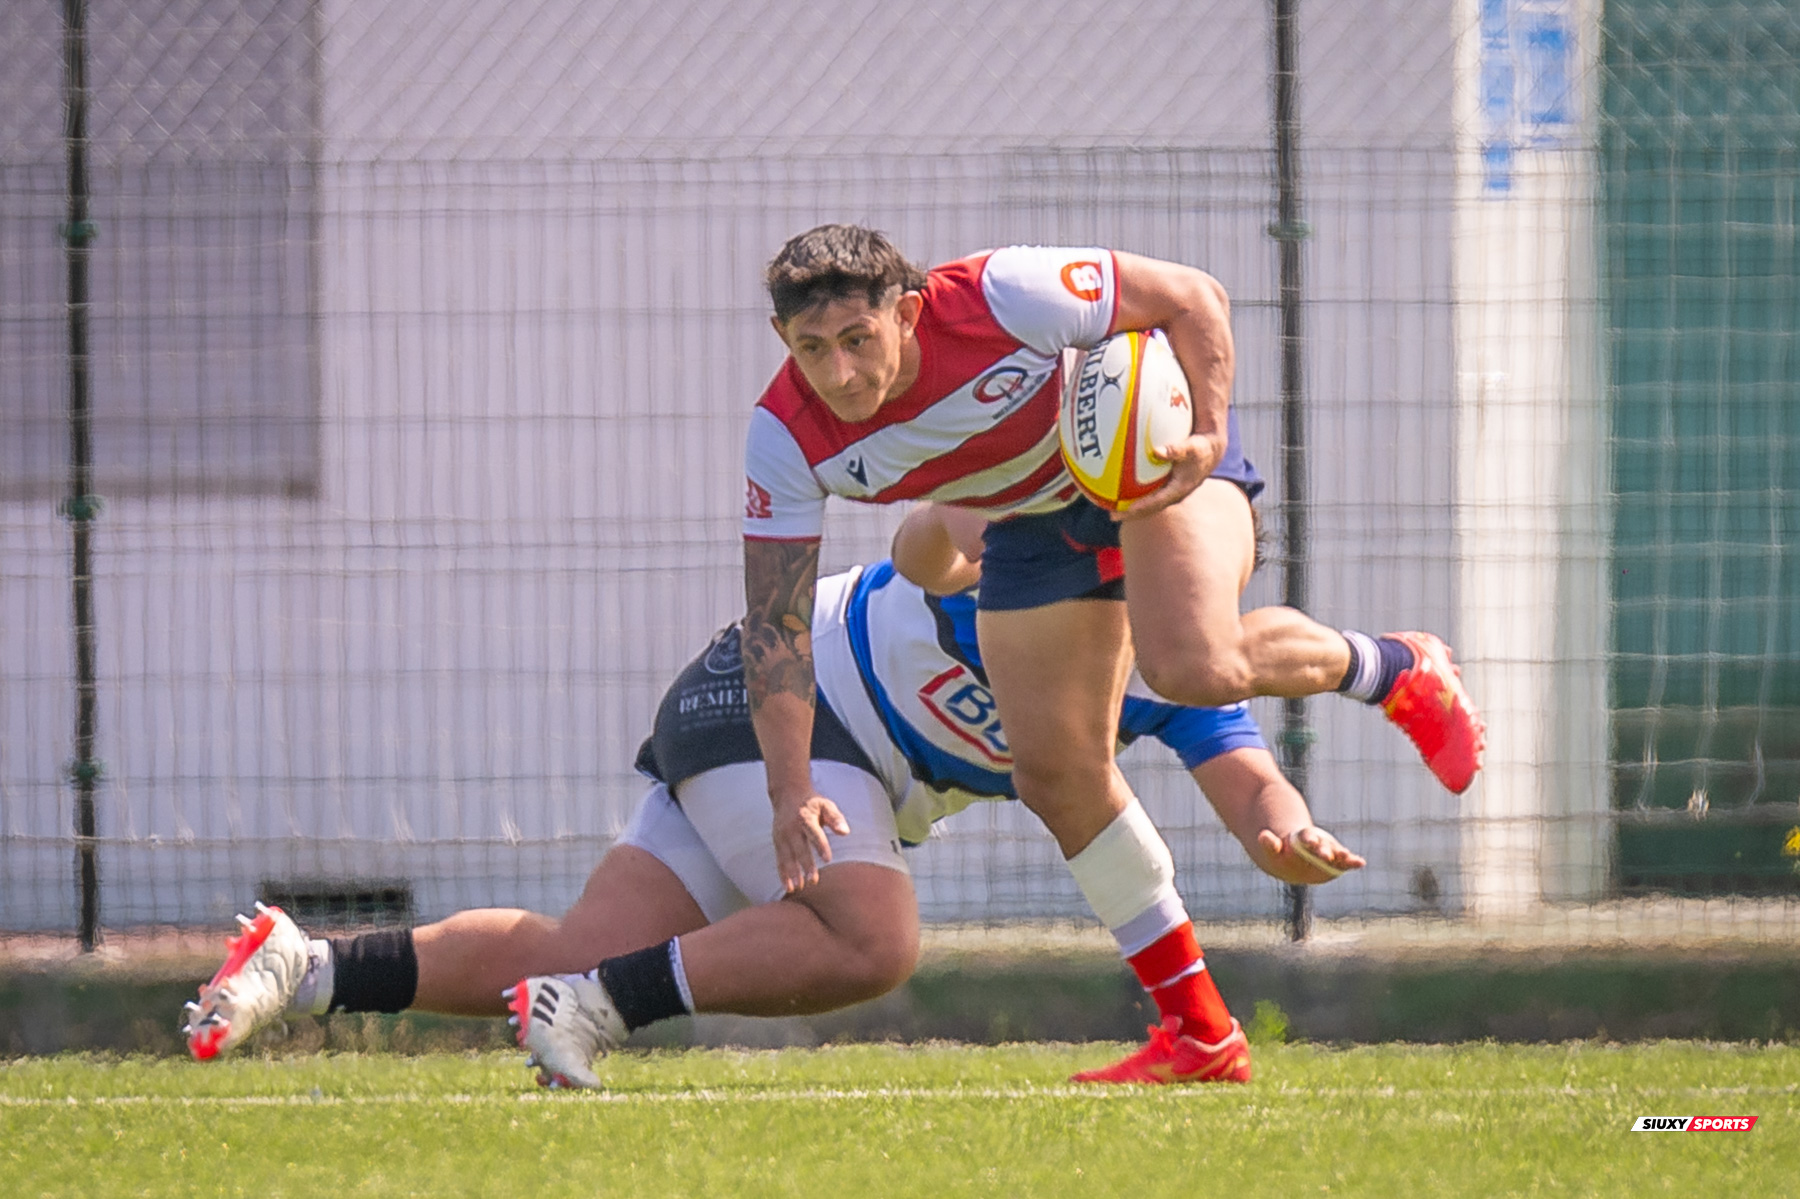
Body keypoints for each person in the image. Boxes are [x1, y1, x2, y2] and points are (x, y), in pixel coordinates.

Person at [739, 225, 1483, 1077]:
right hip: (1031, 522)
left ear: (906, 314)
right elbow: (778, 625)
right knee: (1055, 773)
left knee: (1191, 668)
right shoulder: (786, 437)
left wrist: (1206, 429)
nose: (838, 374)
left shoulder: (1003, 294)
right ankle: (1200, 1032)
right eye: (812, 349)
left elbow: (1193, 295)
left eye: (857, 340)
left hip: (1149, 461)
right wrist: (790, 787)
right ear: (783, 341)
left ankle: (1398, 667)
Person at [182, 554, 1363, 1088]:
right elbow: (930, 536)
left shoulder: (1166, 654)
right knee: (872, 935)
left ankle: (308, 963)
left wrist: (1281, 825)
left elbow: (1242, 764)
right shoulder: (1007, 558)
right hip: (777, 701)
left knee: (572, 948)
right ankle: (593, 1010)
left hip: (764, 712)